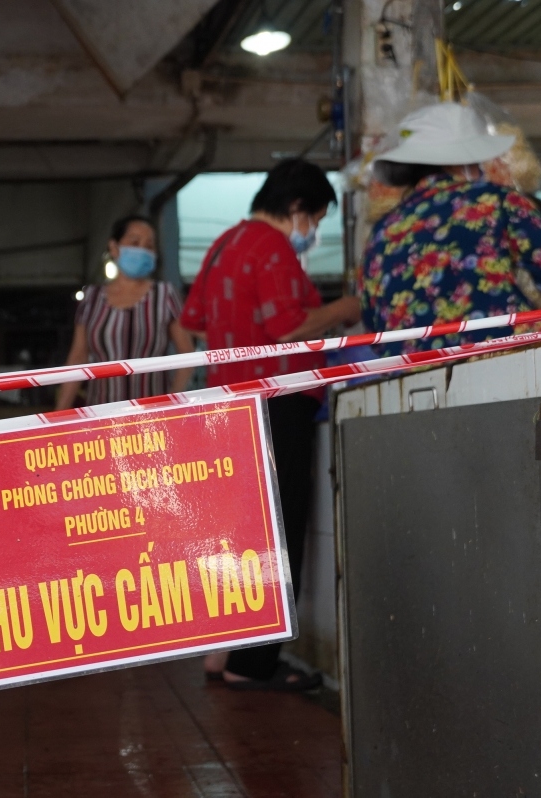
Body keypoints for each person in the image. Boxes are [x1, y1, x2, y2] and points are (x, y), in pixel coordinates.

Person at [181, 159, 360, 691]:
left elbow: (192, 320)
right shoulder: (274, 247)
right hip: (276, 402)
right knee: (277, 531)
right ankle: (253, 663)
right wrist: (346, 307)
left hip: (228, 405)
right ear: (298, 208)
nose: (314, 231)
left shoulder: (223, 244)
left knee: (238, 533)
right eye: (317, 218)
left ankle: (221, 654)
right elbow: (289, 329)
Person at [360, 102, 541, 356]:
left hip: (408, 376)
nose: (481, 170)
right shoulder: (497, 202)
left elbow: (372, 319)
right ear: (461, 162)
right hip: (500, 364)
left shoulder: (383, 231)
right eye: (478, 163)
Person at [55, 215, 194, 410]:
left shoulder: (165, 295)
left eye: (149, 246)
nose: (142, 250)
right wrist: (58, 416)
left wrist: (172, 405)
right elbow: (78, 358)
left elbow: (186, 355)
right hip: (101, 415)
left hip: (153, 417)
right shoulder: (91, 298)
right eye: (134, 242)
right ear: (114, 247)